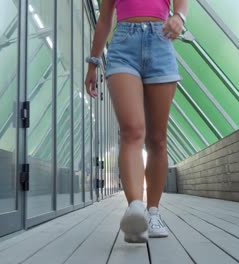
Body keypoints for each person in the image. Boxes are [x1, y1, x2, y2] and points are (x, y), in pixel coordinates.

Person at [85, 0, 188, 243]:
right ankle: (135, 210)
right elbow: (104, 18)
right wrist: (93, 62)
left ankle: (153, 213)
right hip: (123, 47)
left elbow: (182, 3)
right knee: (131, 131)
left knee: (157, 139)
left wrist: (179, 18)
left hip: (160, 42)